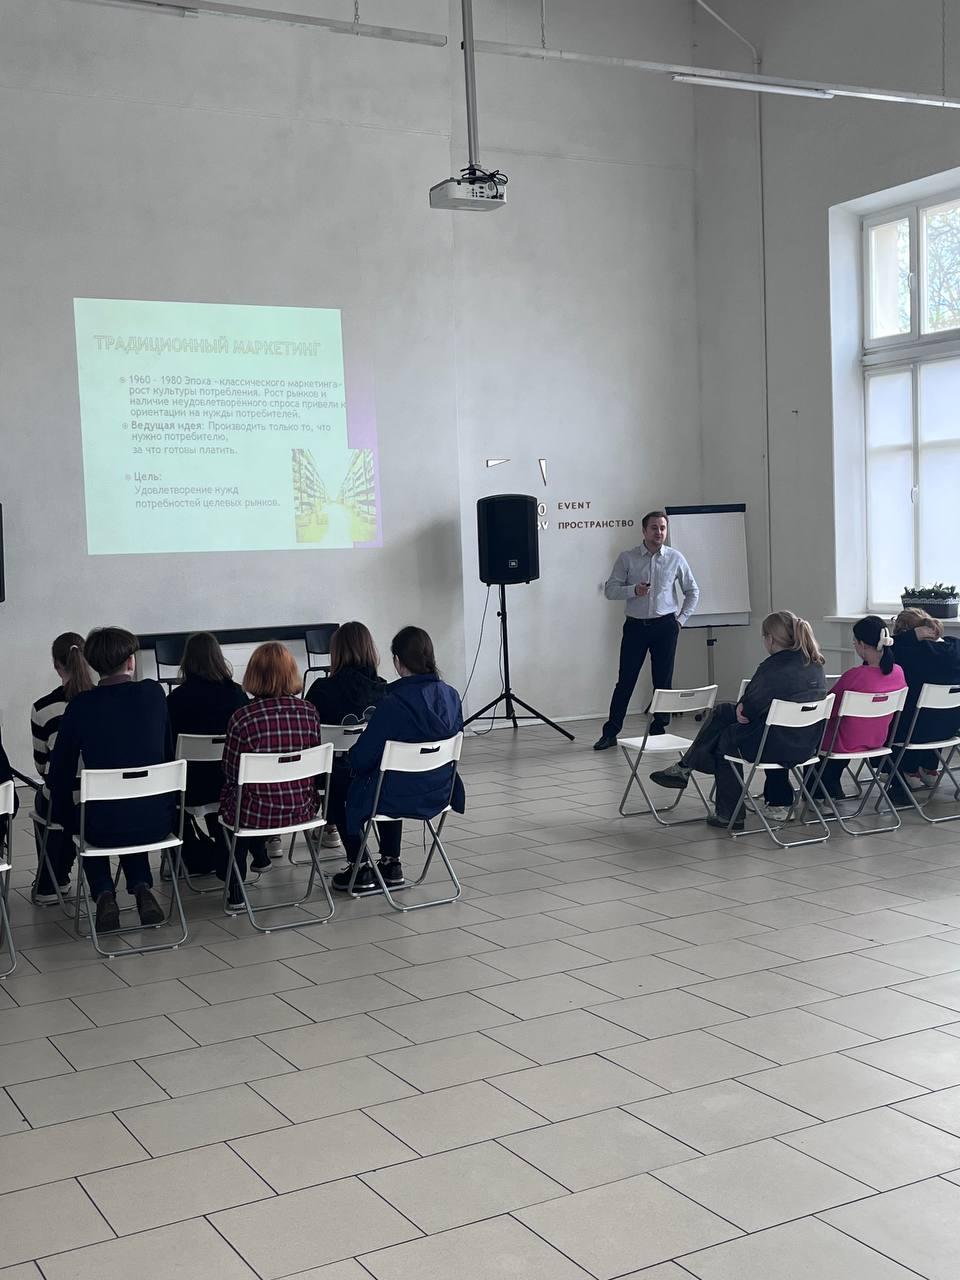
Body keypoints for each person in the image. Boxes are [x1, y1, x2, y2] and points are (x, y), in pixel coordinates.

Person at [649, 610, 827, 828]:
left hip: (772, 746)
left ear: (770, 639)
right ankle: (685, 768)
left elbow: (746, 712)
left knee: (726, 739)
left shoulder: (772, 668)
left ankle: (728, 813)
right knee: (725, 713)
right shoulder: (815, 664)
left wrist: (745, 708)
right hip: (807, 746)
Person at [47, 628, 172, 932]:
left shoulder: (81, 706)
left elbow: (59, 773)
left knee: (92, 813)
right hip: (158, 821)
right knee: (130, 806)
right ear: (131, 662)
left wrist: (64, 817)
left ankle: (104, 892)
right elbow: (168, 753)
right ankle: (142, 888)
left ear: (92, 664)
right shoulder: (154, 694)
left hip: (102, 828)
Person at [333, 625, 466, 892]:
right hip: (440, 791)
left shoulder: (392, 702)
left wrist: (350, 760)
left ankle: (359, 866)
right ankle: (392, 863)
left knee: (343, 779)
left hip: (394, 795)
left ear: (397, 661)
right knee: (392, 775)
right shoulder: (451, 695)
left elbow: (362, 759)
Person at [218, 641, 324, 908]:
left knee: (232, 810)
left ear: (253, 674)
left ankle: (236, 888)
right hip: (302, 809)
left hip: (254, 814)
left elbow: (230, 771)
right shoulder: (309, 712)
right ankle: (258, 855)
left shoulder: (242, 717)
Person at [594, 510, 700, 750]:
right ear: (644, 531)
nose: (659, 532)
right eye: (654, 528)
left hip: (665, 626)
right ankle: (610, 732)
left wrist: (680, 620)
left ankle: (658, 729)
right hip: (636, 627)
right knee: (626, 680)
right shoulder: (627, 558)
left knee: (663, 681)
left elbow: (693, 591)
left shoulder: (675, 558)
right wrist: (634, 590)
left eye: (662, 528)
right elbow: (610, 590)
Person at [166, 632, 248, 874]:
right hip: (233, 786)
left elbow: (167, 748)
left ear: (186, 661)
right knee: (214, 779)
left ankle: (187, 855)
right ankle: (225, 852)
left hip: (189, 790)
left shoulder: (175, 700)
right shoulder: (237, 694)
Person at [306, 621, 388, 855]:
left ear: (337, 652)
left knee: (332, 770)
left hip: (331, 776)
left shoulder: (321, 689)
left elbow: (306, 733)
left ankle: (348, 847)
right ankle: (391, 858)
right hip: (378, 773)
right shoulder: (384, 690)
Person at [29, 632, 95, 903]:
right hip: (104, 799)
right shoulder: (105, 701)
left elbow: (42, 767)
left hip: (65, 803)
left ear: (57, 665)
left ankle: (51, 882)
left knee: (46, 796)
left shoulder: (42, 709)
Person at [816, 616, 906, 800]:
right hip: (878, 739)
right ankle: (830, 789)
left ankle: (818, 795)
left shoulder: (854, 676)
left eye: (855, 642)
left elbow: (828, 709)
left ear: (862, 644)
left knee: (815, 734)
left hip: (844, 742)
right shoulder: (898, 672)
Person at [892, 608, 960, 789]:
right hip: (949, 730)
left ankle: (908, 770)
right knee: (932, 712)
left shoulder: (906, 652)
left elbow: (886, 647)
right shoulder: (954, 648)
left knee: (900, 713)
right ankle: (929, 768)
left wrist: (912, 636)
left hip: (912, 733)